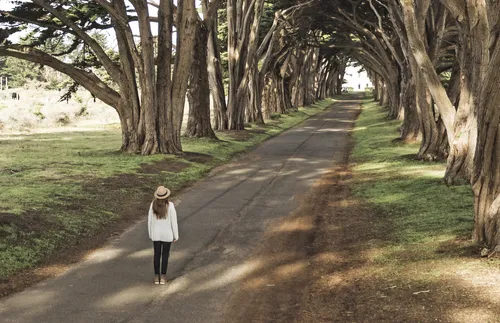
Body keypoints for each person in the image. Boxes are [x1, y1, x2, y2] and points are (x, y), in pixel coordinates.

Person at [148, 185, 179, 285]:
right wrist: (176, 235)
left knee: (156, 255)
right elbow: (174, 222)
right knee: (165, 255)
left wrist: (150, 234)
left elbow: (149, 221)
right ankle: (163, 277)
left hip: (156, 235)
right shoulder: (170, 206)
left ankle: (156, 276)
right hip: (167, 235)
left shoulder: (153, 205)